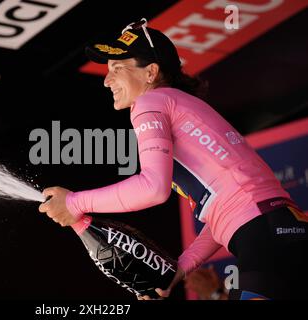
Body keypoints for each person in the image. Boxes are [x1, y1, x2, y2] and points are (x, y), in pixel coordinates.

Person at [38, 18, 308, 299]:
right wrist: (180, 269)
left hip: (264, 237)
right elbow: (227, 211)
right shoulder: (182, 104)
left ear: (151, 72)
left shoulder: (149, 102)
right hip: (284, 229)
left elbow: (153, 188)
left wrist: (74, 203)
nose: (107, 80)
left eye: (117, 68)